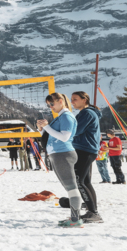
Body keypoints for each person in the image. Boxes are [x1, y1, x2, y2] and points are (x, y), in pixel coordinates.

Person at [36, 92, 82, 227]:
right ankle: (74, 218)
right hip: (58, 154)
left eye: (52, 104)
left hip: (63, 154)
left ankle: (75, 220)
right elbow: (51, 136)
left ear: (61, 101)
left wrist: (46, 127)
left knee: (72, 189)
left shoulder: (67, 116)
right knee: (69, 188)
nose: (51, 107)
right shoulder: (60, 117)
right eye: (48, 105)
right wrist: (41, 130)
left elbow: (64, 137)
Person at [70, 91, 102, 223]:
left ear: (84, 100)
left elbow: (76, 131)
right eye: (71, 99)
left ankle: (94, 213)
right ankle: (92, 210)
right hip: (86, 149)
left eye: (75, 99)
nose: (72, 102)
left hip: (85, 150)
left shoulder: (87, 113)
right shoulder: (88, 112)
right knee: (85, 181)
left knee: (79, 181)